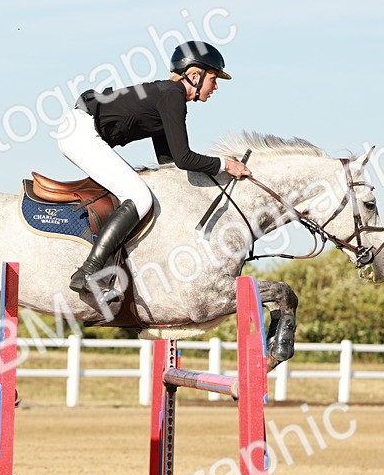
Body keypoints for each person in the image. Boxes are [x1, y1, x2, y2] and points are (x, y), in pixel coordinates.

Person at [58, 40, 252, 302]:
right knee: (139, 197)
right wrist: (225, 164)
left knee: (144, 193)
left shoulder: (167, 96)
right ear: (195, 75)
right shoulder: (173, 96)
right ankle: (88, 273)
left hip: (81, 129)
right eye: (214, 79)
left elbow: (169, 163)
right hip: (81, 133)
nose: (215, 87)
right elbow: (184, 158)